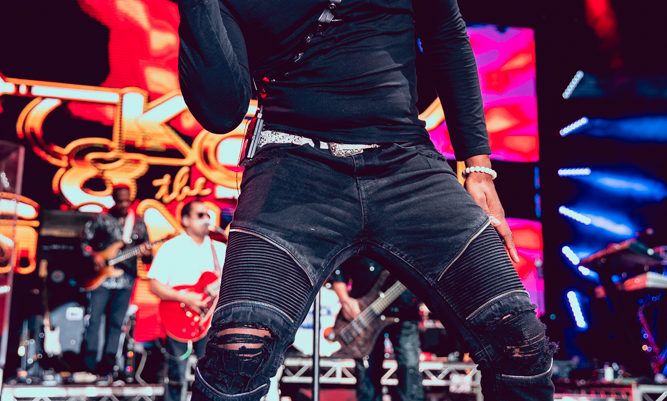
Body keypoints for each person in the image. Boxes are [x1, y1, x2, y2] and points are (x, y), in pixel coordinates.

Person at [178, 0, 557, 399]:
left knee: (521, 342)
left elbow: (446, 35)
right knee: (237, 354)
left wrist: (479, 168)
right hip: (290, 167)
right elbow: (222, 112)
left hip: (406, 163)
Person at [147, 200, 226, 401]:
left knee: (210, 373)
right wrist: (184, 297)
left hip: (209, 321)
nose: (206, 219)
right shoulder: (171, 248)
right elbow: (154, 285)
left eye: (207, 215)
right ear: (185, 220)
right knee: (177, 373)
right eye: (200, 215)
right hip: (177, 315)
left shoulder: (220, 249)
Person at [80, 184, 152, 380]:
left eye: (127, 201)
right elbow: (84, 243)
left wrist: (146, 253)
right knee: (94, 319)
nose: (123, 204)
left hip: (126, 279)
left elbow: (147, 256)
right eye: (120, 201)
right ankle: (89, 363)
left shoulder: (137, 222)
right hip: (102, 279)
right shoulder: (101, 219)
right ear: (114, 199)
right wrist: (94, 256)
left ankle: (109, 365)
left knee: (117, 322)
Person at [331, 256, 423, 401]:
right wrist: (345, 300)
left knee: (409, 368)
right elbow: (338, 269)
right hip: (365, 313)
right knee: (368, 372)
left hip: (405, 312)